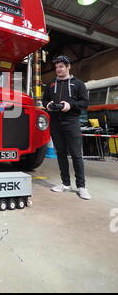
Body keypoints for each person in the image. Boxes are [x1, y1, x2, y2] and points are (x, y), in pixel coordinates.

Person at [42, 55, 91, 200]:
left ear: (68, 67)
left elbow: (85, 103)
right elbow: (45, 100)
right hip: (56, 123)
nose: (58, 69)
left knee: (76, 154)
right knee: (61, 154)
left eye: (61, 66)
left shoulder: (78, 84)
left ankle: (81, 186)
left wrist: (70, 105)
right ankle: (65, 183)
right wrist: (48, 105)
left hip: (71, 121)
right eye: (56, 67)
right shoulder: (50, 85)